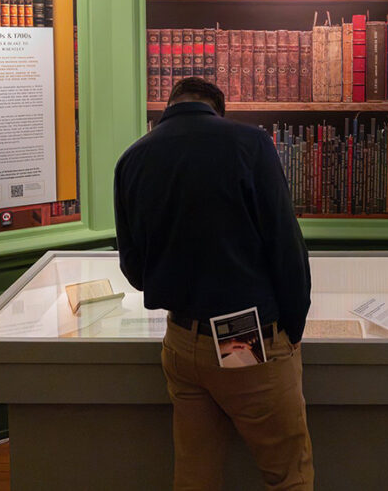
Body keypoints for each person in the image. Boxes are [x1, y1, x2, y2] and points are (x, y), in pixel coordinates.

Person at [114, 77, 313, 491]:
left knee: (194, 476)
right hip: (247, 340)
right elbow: (286, 248)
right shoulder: (250, 144)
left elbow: (134, 269)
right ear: (217, 109)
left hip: (181, 342)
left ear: (169, 106)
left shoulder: (131, 160)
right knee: (286, 474)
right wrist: (290, 332)